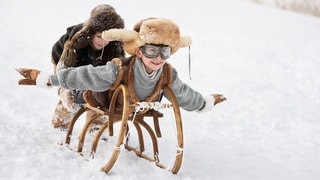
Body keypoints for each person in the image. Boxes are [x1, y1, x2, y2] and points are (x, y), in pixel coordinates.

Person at [17, 17, 226, 117]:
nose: (159, 58)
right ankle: (66, 107)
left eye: (165, 52)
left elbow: (182, 93)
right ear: (139, 51)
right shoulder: (119, 69)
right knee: (81, 92)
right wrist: (51, 79)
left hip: (137, 108)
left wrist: (202, 103)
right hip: (104, 100)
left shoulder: (167, 73)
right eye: (152, 51)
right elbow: (87, 74)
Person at [50, 4, 125, 129]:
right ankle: (60, 122)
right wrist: (66, 89)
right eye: (99, 36)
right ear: (92, 31)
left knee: (99, 93)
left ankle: (95, 124)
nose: (103, 42)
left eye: (107, 38)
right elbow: (63, 71)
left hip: (95, 71)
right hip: (65, 64)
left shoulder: (115, 45)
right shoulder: (77, 40)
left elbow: (119, 67)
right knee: (71, 95)